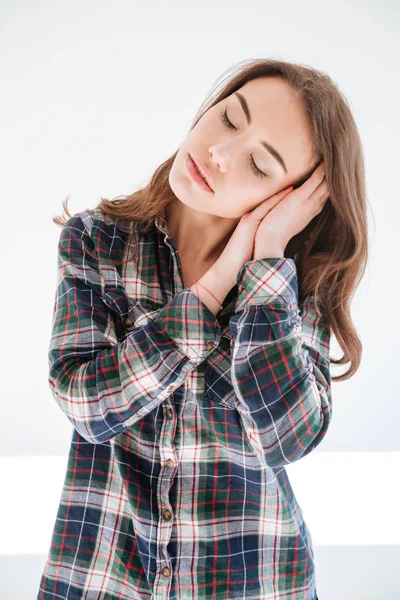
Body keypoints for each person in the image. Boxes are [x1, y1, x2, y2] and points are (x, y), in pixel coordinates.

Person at [37, 58, 368, 600]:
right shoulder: (95, 241)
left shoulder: (295, 286)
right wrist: (213, 289)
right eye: (230, 119)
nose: (218, 154)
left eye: (260, 166)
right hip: (101, 576)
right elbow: (87, 403)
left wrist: (263, 263)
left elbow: (290, 436)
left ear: (292, 200)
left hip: (256, 581)